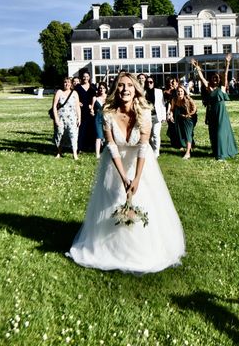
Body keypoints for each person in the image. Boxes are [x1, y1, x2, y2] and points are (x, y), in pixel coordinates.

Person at [67, 72, 185, 274]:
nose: (125, 89)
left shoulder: (144, 112)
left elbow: (143, 147)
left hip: (141, 164)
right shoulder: (107, 113)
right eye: (120, 85)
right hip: (115, 165)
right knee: (114, 200)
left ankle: (143, 248)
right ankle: (111, 247)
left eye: (129, 85)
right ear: (115, 89)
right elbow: (111, 146)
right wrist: (123, 177)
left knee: (143, 201)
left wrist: (137, 178)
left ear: (136, 89)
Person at [191, 53, 239, 160]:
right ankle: (216, 151)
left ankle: (222, 154)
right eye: (213, 78)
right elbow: (202, 78)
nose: (215, 79)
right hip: (212, 113)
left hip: (221, 114)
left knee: (221, 132)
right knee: (213, 133)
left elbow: (225, 75)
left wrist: (227, 63)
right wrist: (197, 68)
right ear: (211, 79)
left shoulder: (222, 88)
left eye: (217, 78)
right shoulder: (209, 88)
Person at [52, 77, 81, 159]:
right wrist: (56, 118)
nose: (67, 84)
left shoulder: (74, 93)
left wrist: (79, 118)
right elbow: (54, 106)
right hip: (61, 117)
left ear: (71, 84)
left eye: (68, 82)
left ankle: (74, 154)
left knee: (73, 135)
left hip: (72, 118)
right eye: (65, 82)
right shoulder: (59, 92)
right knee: (60, 134)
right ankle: (59, 152)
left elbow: (77, 107)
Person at [138, 74, 166, 157]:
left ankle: (156, 152)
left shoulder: (159, 91)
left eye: (151, 82)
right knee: (148, 136)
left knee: (156, 134)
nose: (149, 83)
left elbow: (162, 104)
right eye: (148, 82)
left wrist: (164, 117)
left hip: (156, 116)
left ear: (154, 83)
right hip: (146, 117)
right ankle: (149, 151)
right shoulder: (143, 92)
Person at [169, 85, 197, 159]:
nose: (180, 93)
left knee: (188, 134)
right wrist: (171, 116)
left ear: (184, 92)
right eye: (178, 91)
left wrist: (187, 115)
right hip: (179, 118)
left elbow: (194, 109)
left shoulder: (188, 99)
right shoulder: (174, 100)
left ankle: (187, 153)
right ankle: (189, 146)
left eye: (181, 91)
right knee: (182, 133)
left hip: (189, 118)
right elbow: (172, 109)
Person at [75, 70, 97, 153]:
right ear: (81, 77)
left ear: (89, 77)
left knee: (91, 128)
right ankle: (80, 147)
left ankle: (91, 147)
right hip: (81, 110)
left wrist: (92, 106)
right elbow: (74, 96)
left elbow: (95, 96)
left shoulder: (93, 86)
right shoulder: (78, 87)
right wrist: (77, 102)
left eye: (87, 76)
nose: (85, 78)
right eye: (84, 76)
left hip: (91, 110)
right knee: (82, 128)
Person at [91, 82, 108, 159]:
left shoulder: (108, 98)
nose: (102, 90)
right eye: (100, 88)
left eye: (103, 88)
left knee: (108, 135)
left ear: (106, 89)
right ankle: (97, 154)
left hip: (107, 118)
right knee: (98, 136)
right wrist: (92, 111)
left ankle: (107, 152)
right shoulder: (95, 98)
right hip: (98, 118)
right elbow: (92, 109)